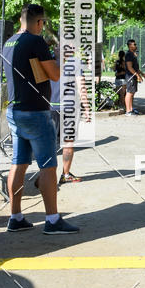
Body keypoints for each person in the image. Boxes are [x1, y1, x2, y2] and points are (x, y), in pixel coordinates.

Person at [2, 3, 79, 234]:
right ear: (39, 22)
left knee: (18, 163)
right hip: (35, 111)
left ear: (20, 20)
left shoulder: (9, 42)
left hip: (15, 111)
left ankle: (15, 217)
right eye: (42, 23)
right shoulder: (35, 41)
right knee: (48, 166)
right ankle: (53, 220)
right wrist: (61, 59)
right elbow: (55, 74)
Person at [48, 38, 91, 185]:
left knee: (49, 144)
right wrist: (86, 108)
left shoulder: (48, 62)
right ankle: (65, 174)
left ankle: (45, 175)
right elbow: (82, 86)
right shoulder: (75, 63)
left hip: (50, 108)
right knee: (68, 143)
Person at [124, 39, 145, 116]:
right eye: (134, 44)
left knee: (132, 93)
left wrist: (142, 74)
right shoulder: (129, 55)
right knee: (129, 93)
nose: (136, 46)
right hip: (130, 76)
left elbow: (136, 68)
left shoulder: (133, 54)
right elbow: (130, 67)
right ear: (130, 46)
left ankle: (131, 109)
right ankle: (128, 111)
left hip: (133, 76)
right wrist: (137, 76)